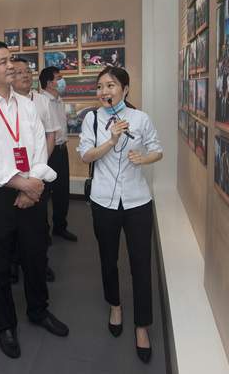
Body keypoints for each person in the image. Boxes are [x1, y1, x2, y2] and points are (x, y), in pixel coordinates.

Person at [0, 41, 68, 360]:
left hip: (31, 186)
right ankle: (5, 324)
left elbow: (38, 147)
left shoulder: (26, 105)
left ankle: (38, 310)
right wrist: (25, 185)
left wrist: (31, 183)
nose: (11, 66)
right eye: (3, 62)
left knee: (35, 254)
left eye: (11, 60)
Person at [78, 67, 163, 364]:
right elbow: (85, 156)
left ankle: (142, 326)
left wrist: (143, 159)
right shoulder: (92, 119)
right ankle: (115, 306)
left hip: (137, 202)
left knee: (141, 264)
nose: (105, 91)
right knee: (108, 259)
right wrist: (111, 141)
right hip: (103, 201)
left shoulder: (140, 119)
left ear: (125, 89)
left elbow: (157, 150)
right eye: (100, 86)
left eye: (111, 85)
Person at [10, 58, 59, 283]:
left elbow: (51, 133)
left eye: (28, 71)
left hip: (38, 170)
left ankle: (41, 262)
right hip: (12, 174)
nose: (25, 75)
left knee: (38, 222)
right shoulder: (5, 103)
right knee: (13, 221)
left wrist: (39, 167)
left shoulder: (42, 101)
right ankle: (13, 262)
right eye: (19, 72)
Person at [39, 66, 78, 242]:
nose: (63, 81)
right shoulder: (40, 102)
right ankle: (43, 232)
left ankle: (60, 227)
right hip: (47, 152)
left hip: (62, 150)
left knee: (62, 192)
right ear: (50, 83)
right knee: (44, 193)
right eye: (59, 78)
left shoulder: (60, 101)